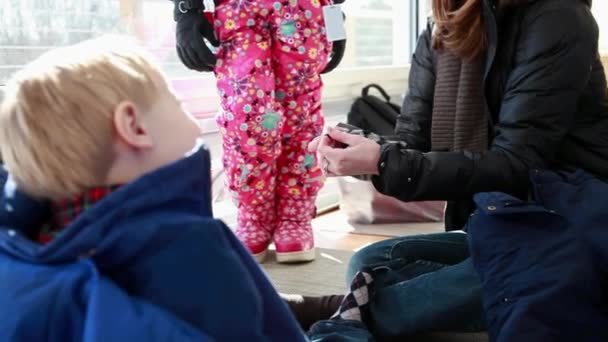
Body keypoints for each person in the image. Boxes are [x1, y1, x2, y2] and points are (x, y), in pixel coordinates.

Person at [303, 0, 608, 339]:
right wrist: (360, 150)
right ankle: (379, 308)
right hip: (498, 220)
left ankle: (341, 313)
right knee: (372, 259)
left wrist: (383, 161)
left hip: (567, 219)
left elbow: (518, 163)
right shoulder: (442, 26)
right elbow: (411, 141)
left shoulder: (558, 16)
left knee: (534, 271)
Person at [0, 36, 306, 341]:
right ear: (134, 127)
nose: (198, 126)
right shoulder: (190, 248)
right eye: (179, 105)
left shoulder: (26, 256)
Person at [171, 0, 345, 263]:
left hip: (305, 11)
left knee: (302, 115)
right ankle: (253, 215)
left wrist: (336, 14)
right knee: (244, 116)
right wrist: (187, 9)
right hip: (238, 11)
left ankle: (294, 214)